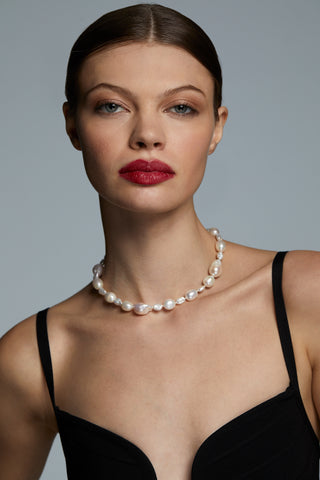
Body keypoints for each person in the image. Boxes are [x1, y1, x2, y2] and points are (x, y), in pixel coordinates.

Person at [0, 3, 319, 479]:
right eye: (111, 105)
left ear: (217, 127)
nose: (147, 134)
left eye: (181, 108)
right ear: (73, 124)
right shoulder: (36, 357)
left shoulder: (304, 297)